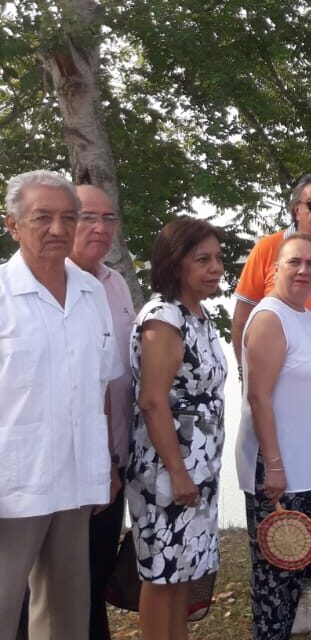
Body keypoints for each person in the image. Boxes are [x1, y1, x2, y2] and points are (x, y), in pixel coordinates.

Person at [0, 171, 122, 640]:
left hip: (76, 478)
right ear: (12, 224)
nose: (57, 228)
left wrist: (108, 464)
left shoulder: (92, 294)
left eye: (67, 217)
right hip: (15, 483)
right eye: (42, 217)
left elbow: (100, 387)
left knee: (68, 610)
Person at [126, 216, 228, 640]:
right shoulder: (164, 317)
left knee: (182, 574)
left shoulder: (198, 315)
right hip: (167, 472)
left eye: (218, 258)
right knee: (161, 575)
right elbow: (152, 400)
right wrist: (179, 472)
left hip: (197, 471)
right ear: (174, 264)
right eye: (202, 259)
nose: (216, 267)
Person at [236, 235, 311, 639]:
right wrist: (275, 466)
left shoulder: (304, 317)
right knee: (274, 583)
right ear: (274, 269)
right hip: (280, 472)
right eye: (294, 262)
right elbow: (258, 396)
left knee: (293, 575)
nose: (304, 271)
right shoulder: (269, 317)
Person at [72, 183, 138, 640]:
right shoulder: (49, 288)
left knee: (93, 580)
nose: (99, 227)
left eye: (107, 218)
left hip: (116, 461)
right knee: (56, 589)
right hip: (70, 465)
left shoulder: (116, 284)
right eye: (86, 217)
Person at [231, 173, 311, 365]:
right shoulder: (267, 248)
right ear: (297, 210)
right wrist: (243, 371)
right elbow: (242, 318)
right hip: (277, 373)